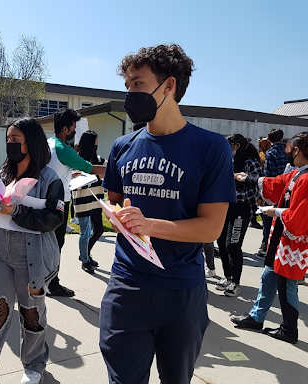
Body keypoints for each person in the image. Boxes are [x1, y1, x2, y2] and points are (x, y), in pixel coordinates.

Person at [99, 44, 236, 384]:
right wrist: (114, 215)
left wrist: (149, 225)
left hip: (181, 291)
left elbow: (211, 229)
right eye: (127, 85)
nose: (131, 93)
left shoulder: (210, 147)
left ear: (169, 86)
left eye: (138, 84)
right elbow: (112, 203)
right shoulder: (123, 146)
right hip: (126, 286)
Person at [0, 118, 64, 384]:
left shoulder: (50, 180)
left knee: (32, 315)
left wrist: (16, 211)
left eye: (16, 140)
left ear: (32, 141)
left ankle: (34, 366)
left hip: (31, 259)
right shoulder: (0, 175)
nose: (10, 144)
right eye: (8, 140)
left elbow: (54, 219)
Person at [231, 132, 308, 344]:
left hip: (293, 241)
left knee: (287, 284)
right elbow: (276, 183)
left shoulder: (306, 178)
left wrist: (276, 212)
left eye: (291, 149)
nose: (288, 153)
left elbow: (299, 217)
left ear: (297, 149)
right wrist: (248, 178)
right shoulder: (298, 174)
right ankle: (257, 318)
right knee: (269, 277)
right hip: (283, 238)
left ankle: (289, 330)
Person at [46, 108, 106, 296]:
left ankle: (44, 279)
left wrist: (70, 173)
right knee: (57, 242)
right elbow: (90, 168)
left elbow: (55, 168)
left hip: (46, 199)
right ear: (65, 129)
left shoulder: (49, 144)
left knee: (48, 243)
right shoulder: (64, 148)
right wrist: (115, 168)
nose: (73, 133)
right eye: (72, 128)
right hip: (59, 203)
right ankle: (53, 283)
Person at [215, 133, 263, 297]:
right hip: (225, 208)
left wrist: (231, 195)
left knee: (232, 245)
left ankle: (236, 282)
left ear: (238, 146)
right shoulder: (228, 161)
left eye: (231, 146)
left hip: (241, 209)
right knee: (221, 242)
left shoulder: (251, 163)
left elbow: (256, 191)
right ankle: (227, 277)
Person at [72, 130, 107, 274]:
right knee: (85, 233)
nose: (97, 143)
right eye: (96, 140)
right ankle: (85, 261)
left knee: (99, 230)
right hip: (82, 202)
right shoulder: (76, 161)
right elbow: (72, 181)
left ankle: (85, 254)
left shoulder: (101, 161)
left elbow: (108, 175)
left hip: (96, 201)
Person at [257, 129, 288, 257]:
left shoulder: (271, 153)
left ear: (269, 139)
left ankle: (267, 245)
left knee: (268, 219)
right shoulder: (288, 151)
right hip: (288, 188)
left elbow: (268, 176)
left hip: (275, 189)